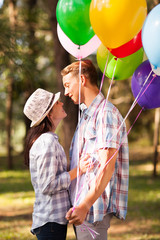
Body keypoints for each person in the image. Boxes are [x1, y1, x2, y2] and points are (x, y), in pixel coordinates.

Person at [61, 59, 129, 240]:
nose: (66, 92)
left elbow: (107, 167)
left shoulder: (105, 113)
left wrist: (85, 205)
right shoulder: (86, 115)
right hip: (81, 208)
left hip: (91, 209)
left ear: (82, 80)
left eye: (68, 85)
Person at [23, 88, 90, 240]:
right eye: (56, 102)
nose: (61, 103)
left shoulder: (49, 140)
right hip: (50, 222)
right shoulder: (47, 142)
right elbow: (47, 185)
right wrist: (77, 170)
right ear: (49, 114)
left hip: (52, 221)